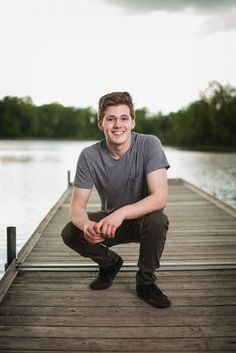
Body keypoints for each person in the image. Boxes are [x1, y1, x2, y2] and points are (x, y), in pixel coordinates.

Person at [61, 91, 171, 308]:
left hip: (143, 220)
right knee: (71, 232)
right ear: (101, 123)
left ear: (132, 122)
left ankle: (146, 283)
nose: (117, 125)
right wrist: (86, 225)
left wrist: (121, 213)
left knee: (158, 219)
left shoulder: (150, 144)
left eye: (123, 118)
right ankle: (110, 263)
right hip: (110, 224)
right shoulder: (89, 155)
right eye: (110, 119)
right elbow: (77, 206)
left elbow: (160, 198)